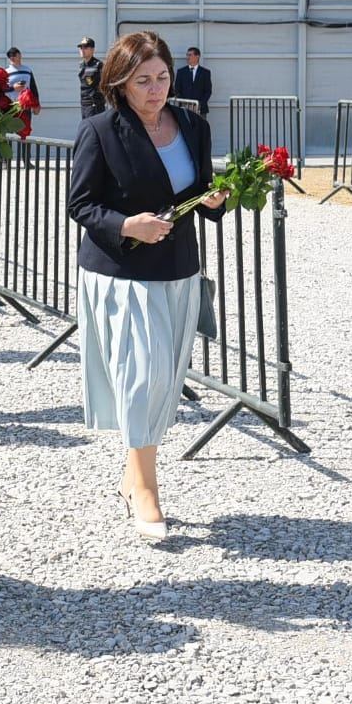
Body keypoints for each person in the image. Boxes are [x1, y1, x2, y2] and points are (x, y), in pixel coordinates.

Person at [67, 30, 227, 542]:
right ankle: (146, 488)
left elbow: (197, 187)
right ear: (121, 81)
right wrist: (126, 225)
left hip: (178, 268)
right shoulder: (100, 131)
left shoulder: (193, 127)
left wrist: (215, 200)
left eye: (162, 78)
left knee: (163, 378)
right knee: (141, 375)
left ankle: (132, 474)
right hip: (122, 273)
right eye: (144, 80)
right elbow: (82, 205)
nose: (156, 88)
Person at [172, 46, 212, 115]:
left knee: (200, 126)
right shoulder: (181, 72)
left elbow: (208, 91)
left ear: (197, 56)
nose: (187, 57)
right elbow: (177, 90)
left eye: (190, 55)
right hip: (184, 109)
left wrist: (200, 104)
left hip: (200, 109)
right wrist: (185, 104)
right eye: (187, 55)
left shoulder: (205, 72)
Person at [4, 47, 40, 114]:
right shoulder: (5, 72)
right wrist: (13, 88)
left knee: (26, 124)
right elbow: (0, 89)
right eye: (10, 56)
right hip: (10, 107)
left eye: (14, 55)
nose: (12, 57)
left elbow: (33, 88)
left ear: (20, 55)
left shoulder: (27, 70)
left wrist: (36, 104)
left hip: (26, 106)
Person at [77, 37, 105, 118]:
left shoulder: (98, 65)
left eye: (85, 47)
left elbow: (104, 85)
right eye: (81, 47)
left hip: (94, 105)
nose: (82, 50)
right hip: (84, 104)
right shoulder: (81, 65)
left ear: (92, 50)